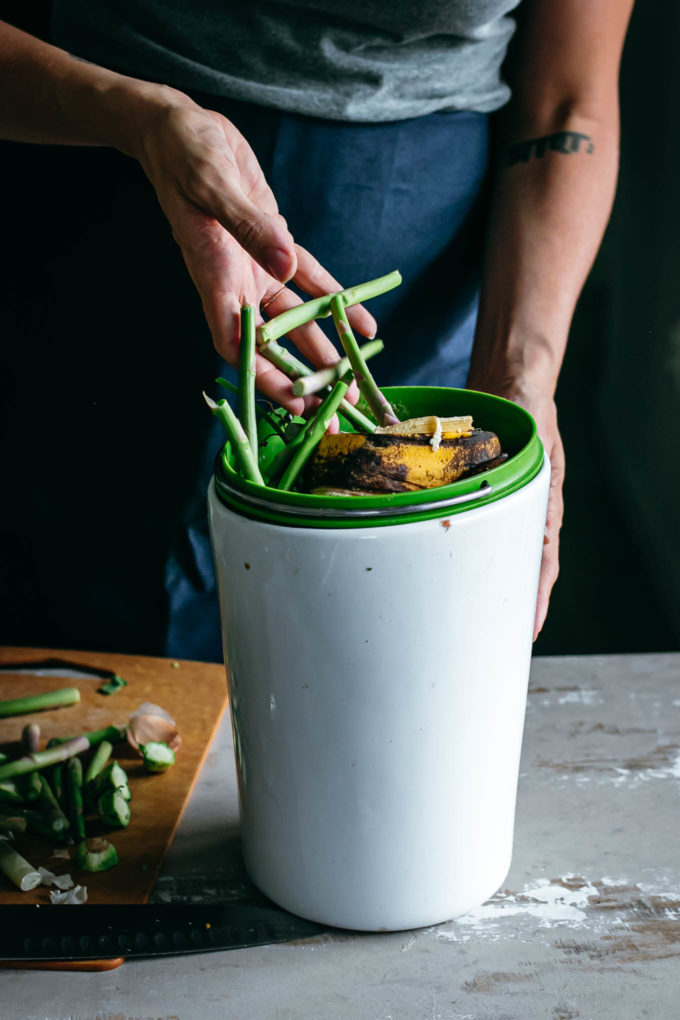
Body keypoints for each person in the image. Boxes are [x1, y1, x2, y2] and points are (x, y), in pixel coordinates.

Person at [0, 1, 634, 660]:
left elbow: (570, 104)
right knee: (80, 630)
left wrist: (517, 376)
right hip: (100, 170)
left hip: (419, 234)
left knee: (366, 647)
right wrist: (136, 115)